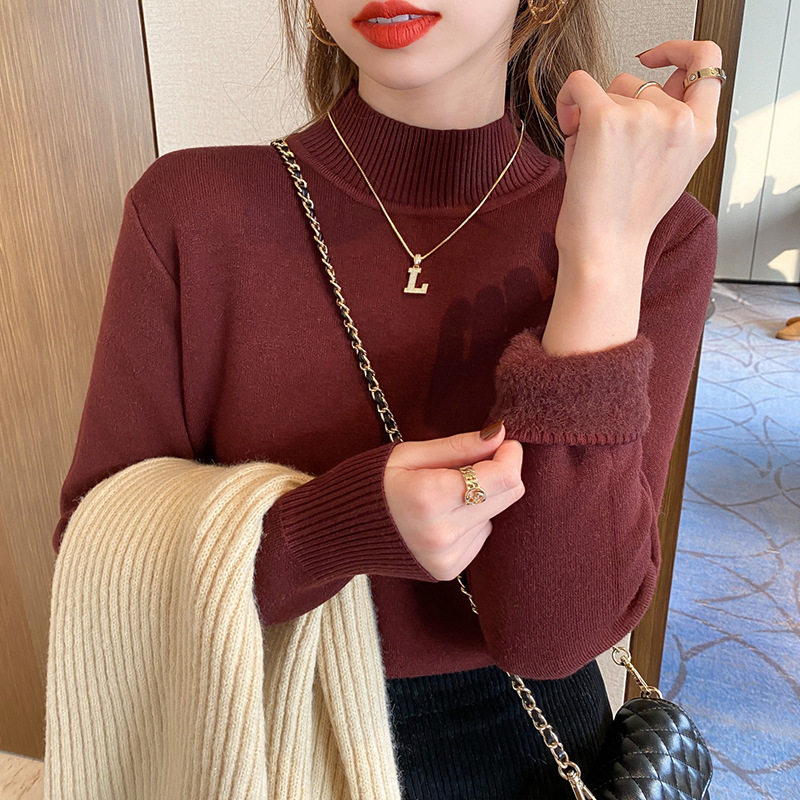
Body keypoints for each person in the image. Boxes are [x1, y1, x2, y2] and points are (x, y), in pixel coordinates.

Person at [52, 0, 724, 796]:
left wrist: (603, 254)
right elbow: (100, 562)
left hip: (529, 757)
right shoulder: (191, 208)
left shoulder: (661, 234)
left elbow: (552, 636)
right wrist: (334, 529)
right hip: (260, 737)